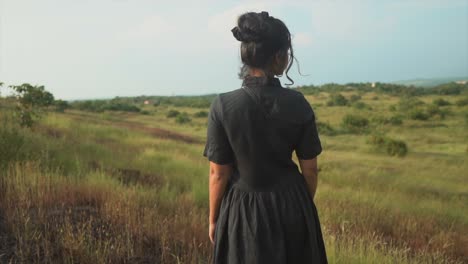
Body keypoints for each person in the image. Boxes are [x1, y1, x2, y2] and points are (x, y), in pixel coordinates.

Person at [203, 11, 328, 264]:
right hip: (293, 203)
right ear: (280, 57)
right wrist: (299, 205)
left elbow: (219, 173)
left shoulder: (223, 105)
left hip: (242, 210)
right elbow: (311, 170)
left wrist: (214, 219)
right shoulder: (298, 103)